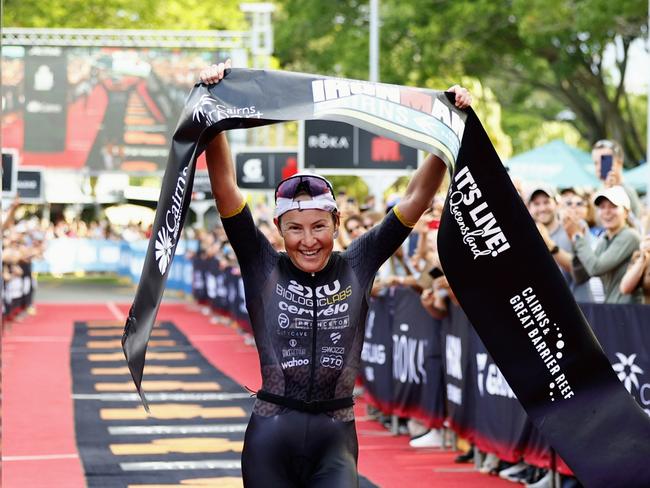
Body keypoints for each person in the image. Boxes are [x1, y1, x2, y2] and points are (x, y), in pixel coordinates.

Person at [200, 59, 472, 487]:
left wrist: (446, 129)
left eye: (318, 227)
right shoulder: (261, 263)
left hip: (335, 436)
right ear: (279, 230)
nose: (308, 240)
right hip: (271, 433)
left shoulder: (358, 263)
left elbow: (418, 197)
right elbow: (225, 189)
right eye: (295, 229)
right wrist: (213, 113)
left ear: (337, 223)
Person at [564, 186, 642, 304]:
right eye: (602, 207)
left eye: (613, 206)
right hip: (612, 309)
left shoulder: (630, 236)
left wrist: (577, 237)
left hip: (630, 311)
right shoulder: (604, 239)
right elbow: (581, 276)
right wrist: (576, 237)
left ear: (626, 212)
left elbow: (596, 268)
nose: (607, 211)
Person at [527, 186, 593, 302]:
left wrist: (550, 245)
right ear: (529, 208)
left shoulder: (575, 225)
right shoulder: (525, 237)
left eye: (546, 202)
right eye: (536, 204)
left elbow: (583, 271)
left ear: (557, 204)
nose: (542, 208)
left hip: (581, 307)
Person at [591, 139, 642, 219]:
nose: (599, 167)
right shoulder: (596, 192)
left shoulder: (627, 191)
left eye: (604, 161)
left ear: (619, 162)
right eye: (596, 163)